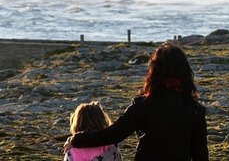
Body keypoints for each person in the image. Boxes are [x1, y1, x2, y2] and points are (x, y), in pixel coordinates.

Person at [66, 43, 209, 161]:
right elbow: (201, 156)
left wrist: (76, 139)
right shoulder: (195, 110)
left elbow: (113, 134)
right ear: (185, 73)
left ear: (155, 72)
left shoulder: (142, 105)